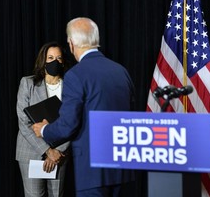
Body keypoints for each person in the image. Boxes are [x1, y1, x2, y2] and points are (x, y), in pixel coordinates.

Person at [32, 17, 136, 197]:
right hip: (123, 168)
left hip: (93, 171)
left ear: (71, 44)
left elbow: (68, 125)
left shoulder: (76, 75)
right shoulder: (121, 71)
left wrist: (45, 130)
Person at [16, 41, 71, 197]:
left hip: (60, 154)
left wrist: (57, 152)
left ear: (63, 61)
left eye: (59, 58)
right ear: (43, 60)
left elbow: (73, 121)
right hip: (31, 152)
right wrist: (47, 151)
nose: (55, 61)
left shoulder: (71, 86)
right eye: (50, 57)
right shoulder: (28, 83)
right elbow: (23, 122)